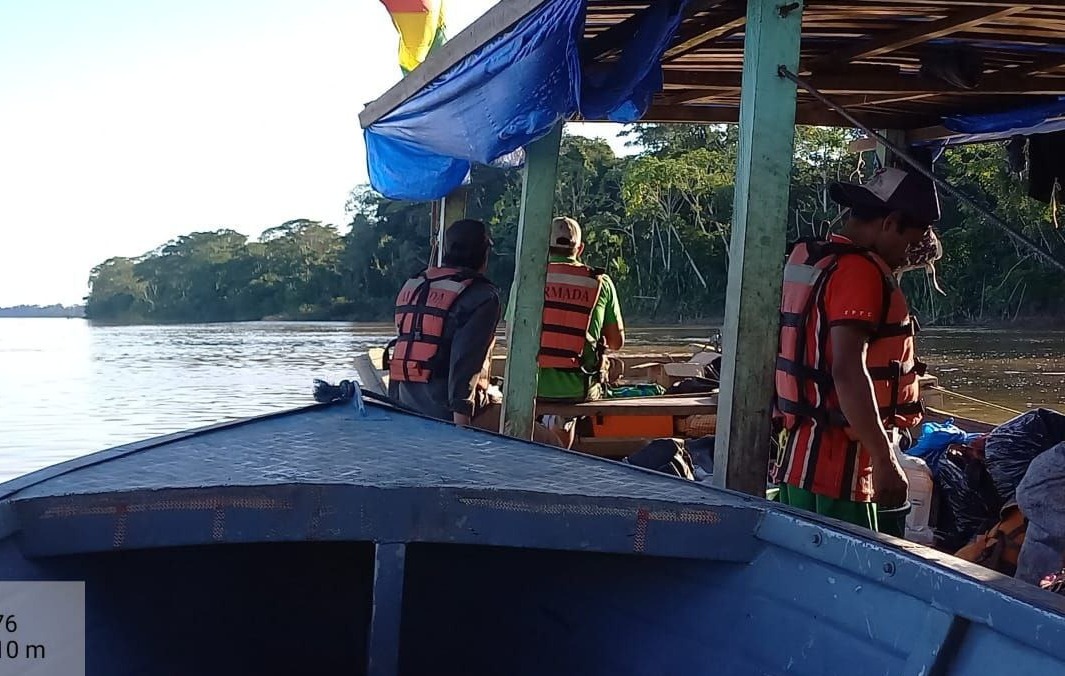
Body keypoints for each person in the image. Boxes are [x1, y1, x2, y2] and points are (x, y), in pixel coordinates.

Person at [773, 166, 939, 533]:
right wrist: (884, 458)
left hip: (798, 460)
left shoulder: (812, 259)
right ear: (890, 222)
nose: (906, 256)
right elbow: (847, 369)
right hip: (839, 469)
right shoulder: (860, 271)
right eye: (910, 242)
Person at [387, 218, 560, 445]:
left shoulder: (415, 284)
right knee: (551, 443)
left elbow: (403, 349)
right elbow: (465, 364)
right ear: (484, 253)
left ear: (447, 249)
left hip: (406, 404)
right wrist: (461, 435)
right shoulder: (481, 296)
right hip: (447, 413)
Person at [536, 216, 625, 448]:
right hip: (578, 390)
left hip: (531, 386)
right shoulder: (600, 282)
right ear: (580, 248)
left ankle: (545, 430)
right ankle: (561, 432)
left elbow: (513, 332)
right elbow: (616, 342)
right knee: (598, 374)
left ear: (545, 245)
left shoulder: (530, 278)